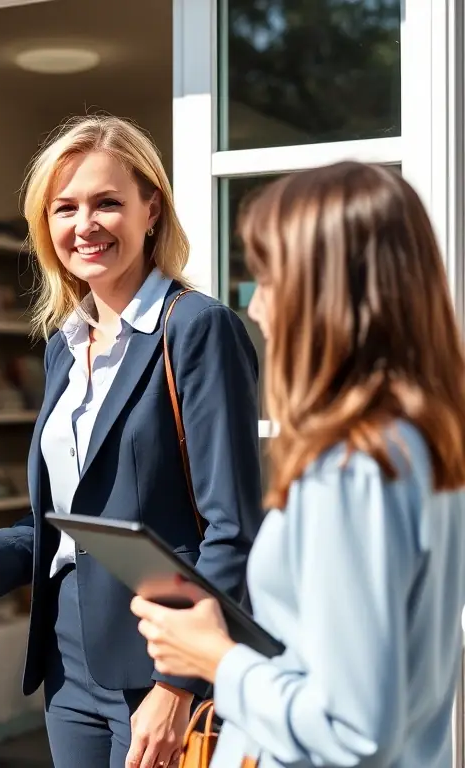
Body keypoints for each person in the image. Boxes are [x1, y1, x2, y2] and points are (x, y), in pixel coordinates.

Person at [0, 115, 263, 768]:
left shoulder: (198, 329)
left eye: (106, 202)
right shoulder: (65, 347)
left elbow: (232, 529)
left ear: (151, 210)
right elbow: (71, 527)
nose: (85, 224)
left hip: (162, 662)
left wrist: (178, 684)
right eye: (65, 208)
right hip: (67, 664)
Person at [130, 162, 465, 768]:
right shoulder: (420, 443)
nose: (256, 308)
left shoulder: (355, 468)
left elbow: (351, 728)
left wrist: (214, 657)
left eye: (267, 279)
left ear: (327, 297)